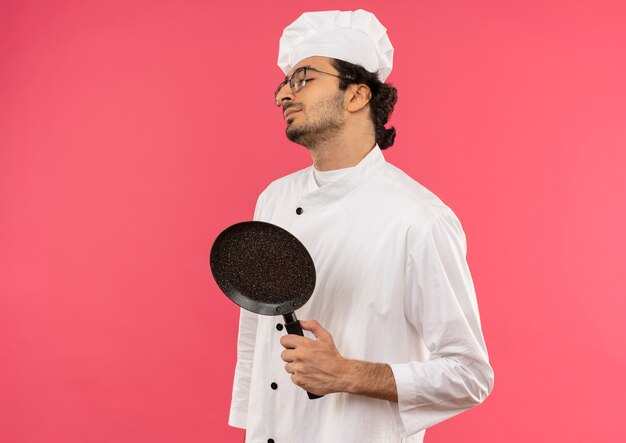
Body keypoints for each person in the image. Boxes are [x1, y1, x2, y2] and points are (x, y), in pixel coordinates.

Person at [228, 10, 494, 443]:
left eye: (303, 78)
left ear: (356, 96)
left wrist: (346, 374)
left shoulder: (418, 218)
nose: (282, 96)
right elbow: (254, 333)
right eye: (282, 84)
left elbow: (470, 375)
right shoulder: (273, 198)